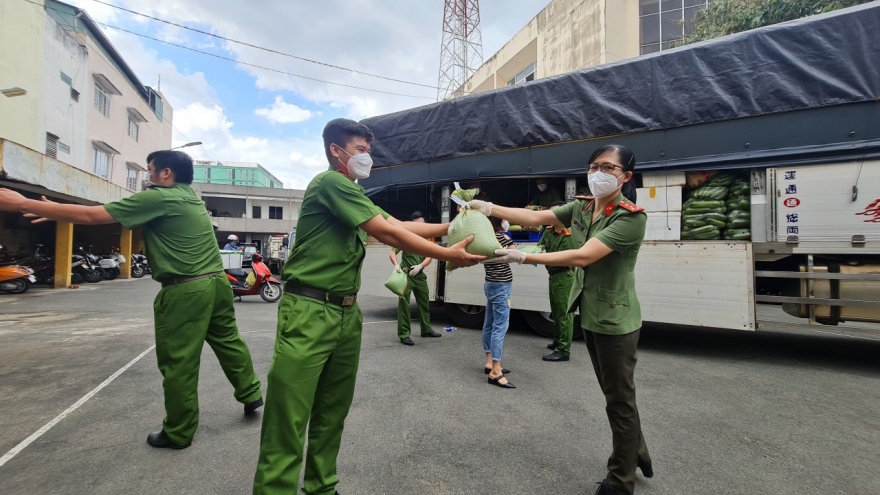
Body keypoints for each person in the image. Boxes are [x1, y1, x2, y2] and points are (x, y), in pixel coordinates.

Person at [252, 118, 484, 495]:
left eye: (368, 151)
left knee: (332, 411)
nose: (367, 158)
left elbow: (396, 224)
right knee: (289, 416)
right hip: (309, 308)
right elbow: (388, 232)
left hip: (345, 311)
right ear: (335, 150)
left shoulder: (353, 195)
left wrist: (458, 224)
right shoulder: (331, 183)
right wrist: (446, 253)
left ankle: (321, 487)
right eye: (360, 150)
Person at [0, 150, 264, 450]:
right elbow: (93, 212)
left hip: (186, 290)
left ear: (166, 173)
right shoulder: (190, 198)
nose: (147, 177)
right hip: (216, 283)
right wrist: (57, 210)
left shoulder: (160, 197)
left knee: (179, 362)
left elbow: (92, 215)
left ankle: (178, 432)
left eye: (150, 171)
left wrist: (21, 202)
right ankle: (250, 392)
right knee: (228, 340)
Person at [472, 144, 651, 495]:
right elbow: (536, 218)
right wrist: (489, 208)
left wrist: (524, 257)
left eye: (610, 168)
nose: (600, 172)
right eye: (595, 165)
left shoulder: (630, 217)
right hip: (591, 313)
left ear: (625, 176)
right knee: (614, 394)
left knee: (618, 399)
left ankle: (620, 480)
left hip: (616, 320)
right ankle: (636, 450)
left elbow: (584, 256)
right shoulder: (583, 207)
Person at [389, 210, 441, 345]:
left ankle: (426, 329)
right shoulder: (405, 237)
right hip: (406, 276)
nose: (421, 227)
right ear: (413, 224)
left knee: (424, 303)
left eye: (423, 224)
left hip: (419, 275)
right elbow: (392, 253)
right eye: (418, 224)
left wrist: (420, 266)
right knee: (404, 305)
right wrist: (396, 265)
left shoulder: (428, 238)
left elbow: (430, 256)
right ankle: (404, 334)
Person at [538, 201, 576, 362]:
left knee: (564, 314)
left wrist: (540, 257)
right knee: (556, 311)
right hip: (553, 275)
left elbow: (565, 259)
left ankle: (563, 350)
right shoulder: (549, 232)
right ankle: (558, 340)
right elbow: (540, 246)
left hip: (564, 276)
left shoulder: (569, 235)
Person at [482, 216, 517, 389]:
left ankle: (489, 361)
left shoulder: (485, 239)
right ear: (498, 223)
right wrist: (510, 240)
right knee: (500, 326)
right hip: (502, 286)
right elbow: (515, 255)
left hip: (490, 283)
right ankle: (496, 371)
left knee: (489, 323)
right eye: (503, 220)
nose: (506, 222)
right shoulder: (502, 238)